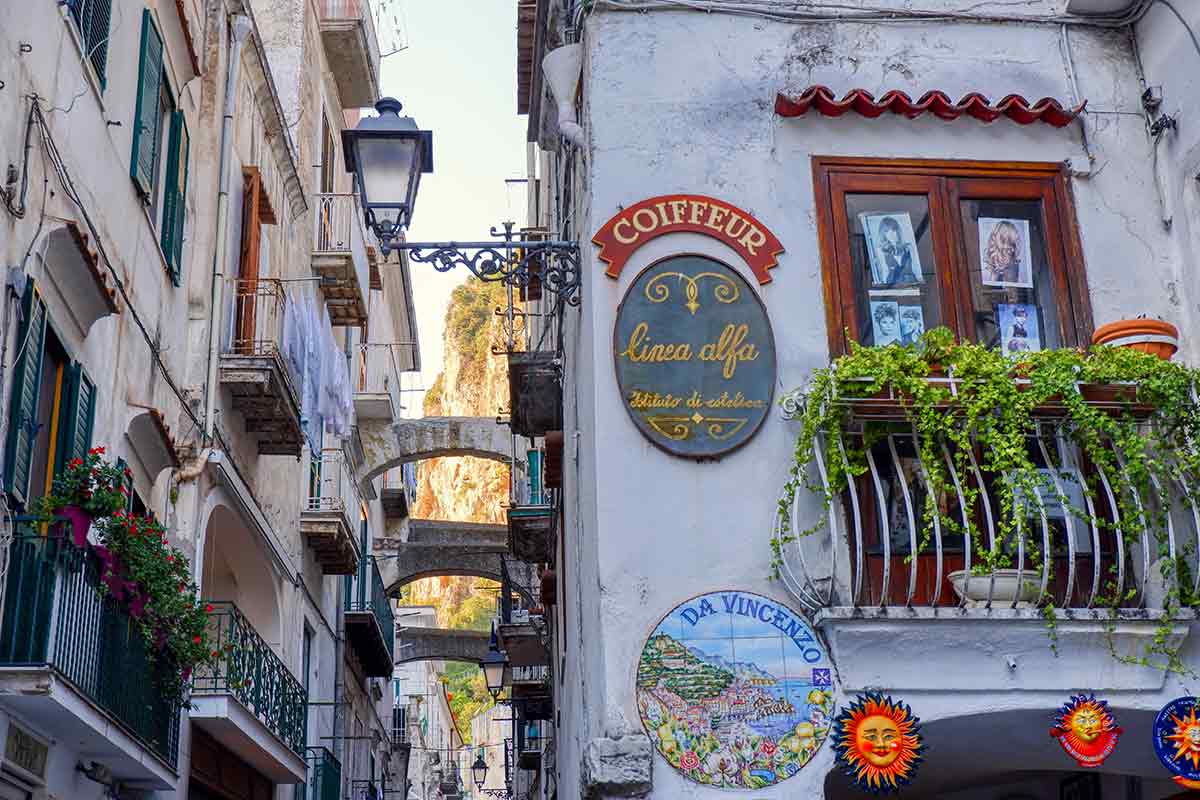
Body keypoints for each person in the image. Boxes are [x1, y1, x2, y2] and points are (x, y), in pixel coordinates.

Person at [875, 216, 918, 285]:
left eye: (893, 229)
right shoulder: (881, 251)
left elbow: (917, 269)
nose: (891, 234)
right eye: (886, 231)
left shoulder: (908, 247)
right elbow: (884, 272)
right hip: (893, 286)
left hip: (912, 284)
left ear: (898, 230)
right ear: (883, 234)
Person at [984, 220, 1023, 284]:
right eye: (1009, 243)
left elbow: (1017, 283)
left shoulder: (1014, 264)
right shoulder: (994, 265)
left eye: (1013, 244)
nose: (1012, 249)